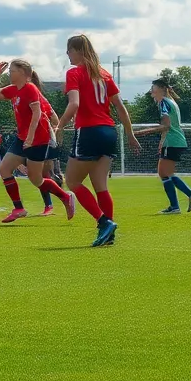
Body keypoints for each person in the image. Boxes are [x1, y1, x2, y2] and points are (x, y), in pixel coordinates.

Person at [55, 35, 139, 247]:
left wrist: (60, 125)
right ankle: (108, 236)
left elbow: (74, 104)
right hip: (109, 131)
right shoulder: (104, 74)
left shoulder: (74, 73)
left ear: (78, 51)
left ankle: (104, 223)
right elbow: (120, 107)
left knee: (73, 182)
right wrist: (130, 134)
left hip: (89, 131)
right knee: (101, 186)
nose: (68, 54)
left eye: (69, 50)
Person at [0, 60, 76, 223]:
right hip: (22, 138)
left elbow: (37, 113)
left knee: (37, 179)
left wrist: (31, 136)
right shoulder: (14, 90)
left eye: (12, 71)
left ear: (23, 73)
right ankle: (18, 208)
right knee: (4, 169)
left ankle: (65, 197)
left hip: (38, 139)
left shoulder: (30, 89)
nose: (9, 73)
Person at [137, 79, 191, 214]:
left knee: (166, 173)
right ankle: (174, 206)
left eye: (153, 88)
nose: (151, 91)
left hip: (173, 141)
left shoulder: (164, 102)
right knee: (163, 173)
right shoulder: (170, 102)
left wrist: (143, 132)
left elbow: (166, 125)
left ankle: (189, 194)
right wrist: (161, 142)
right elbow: (168, 126)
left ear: (161, 89)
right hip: (173, 141)